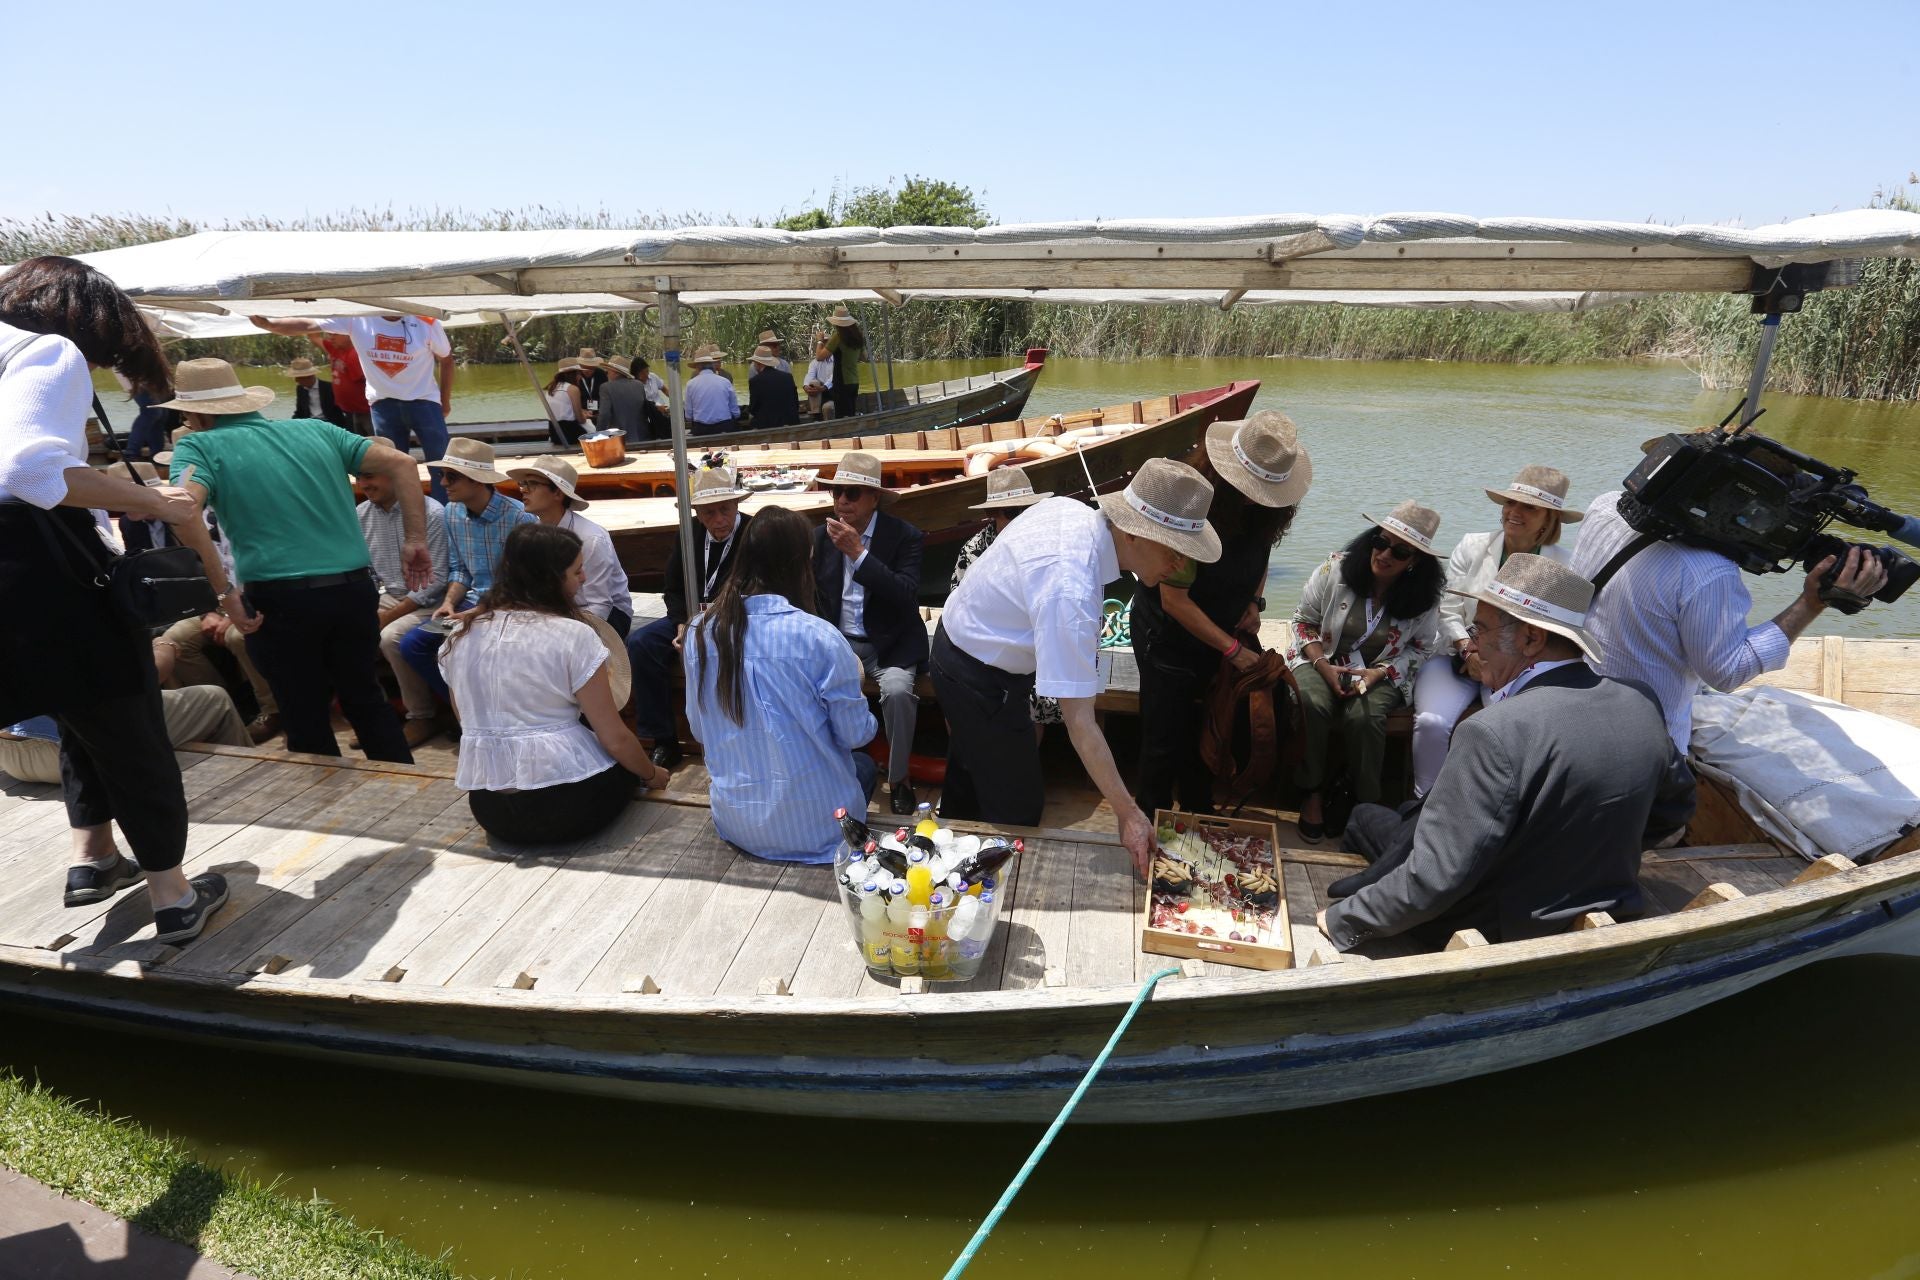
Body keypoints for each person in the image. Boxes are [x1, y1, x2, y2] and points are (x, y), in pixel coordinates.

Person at [0, 255, 229, 940]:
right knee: (131, 731)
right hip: (44, 575)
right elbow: (27, 467)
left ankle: (92, 858)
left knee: (75, 710)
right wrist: (141, 496)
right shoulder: (48, 351)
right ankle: (174, 897)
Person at [1318, 554, 1696, 951]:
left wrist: (1343, 921)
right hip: (1611, 901)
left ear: (1530, 639)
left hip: (1502, 926)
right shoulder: (1640, 702)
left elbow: (1434, 879)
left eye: (1479, 630)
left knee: (1364, 818)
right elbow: (1675, 810)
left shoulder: (1492, 731)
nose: (1472, 644)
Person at [935, 458, 1221, 875]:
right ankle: (989, 897)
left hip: (963, 643)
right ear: (1132, 532)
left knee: (968, 772)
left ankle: (944, 857)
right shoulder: (1071, 587)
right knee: (1018, 809)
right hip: (976, 672)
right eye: (1175, 549)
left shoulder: (1076, 513)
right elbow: (1080, 724)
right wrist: (1129, 814)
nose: (1181, 566)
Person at [161, 358, 433, 764]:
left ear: (195, 414)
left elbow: (183, 510)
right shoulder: (316, 429)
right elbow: (404, 462)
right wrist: (416, 539)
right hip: (353, 590)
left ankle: (324, 808)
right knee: (366, 700)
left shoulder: (196, 445)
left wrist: (224, 592)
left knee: (303, 711)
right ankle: (404, 789)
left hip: (280, 600)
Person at [1569, 485, 1890, 754]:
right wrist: (1812, 602)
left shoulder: (1607, 507)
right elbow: (1727, 672)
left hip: (1570, 710)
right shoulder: (1707, 571)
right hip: (1644, 748)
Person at [438, 523, 668, 845]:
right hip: (566, 808)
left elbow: (467, 721)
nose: (583, 578)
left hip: (491, 808)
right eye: (576, 572)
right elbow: (614, 738)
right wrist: (651, 774)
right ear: (551, 579)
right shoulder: (573, 636)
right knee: (626, 765)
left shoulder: (462, 637)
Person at [1132, 410, 1309, 816]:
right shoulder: (1192, 503)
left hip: (1221, 631)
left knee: (1209, 728)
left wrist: (1254, 603)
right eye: (1251, 486)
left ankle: (1198, 813)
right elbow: (1174, 601)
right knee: (1163, 736)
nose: (1256, 496)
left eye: (1266, 490)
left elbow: (1262, 554)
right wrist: (1233, 650)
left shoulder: (1270, 510)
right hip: (1167, 635)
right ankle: (1150, 818)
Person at [684, 508, 878, 862]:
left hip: (736, 824)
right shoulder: (820, 637)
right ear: (804, 562)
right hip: (818, 834)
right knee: (863, 766)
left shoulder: (700, 630)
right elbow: (856, 735)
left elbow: (699, 730)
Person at [1413, 465, 1579, 797]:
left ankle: (1495, 806)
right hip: (1456, 659)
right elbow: (1448, 609)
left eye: (1528, 507)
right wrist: (1467, 650)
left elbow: (1556, 632)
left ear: (1549, 519)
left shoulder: (1564, 564)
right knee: (1431, 724)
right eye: (1509, 503)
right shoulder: (1473, 545)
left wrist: (1502, 664)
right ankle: (1423, 802)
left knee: (1512, 733)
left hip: (1517, 669)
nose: (1513, 512)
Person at [1286, 501, 1447, 842]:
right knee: (1311, 702)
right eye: (1380, 542)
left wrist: (1381, 673)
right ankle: (1311, 790)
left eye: (1400, 552)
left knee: (1365, 716)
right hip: (1322, 658)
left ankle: (1365, 801)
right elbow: (1303, 622)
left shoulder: (1424, 598)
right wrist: (1322, 666)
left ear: (1415, 561)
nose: (1385, 554)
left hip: (1381, 670)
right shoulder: (1335, 569)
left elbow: (1421, 648)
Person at [812, 451, 926, 815]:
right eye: (837, 492)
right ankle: (829, 768)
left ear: (874, 498)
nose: (842, 500)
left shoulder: (905, 536)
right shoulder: (819, 537)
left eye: (852, 493)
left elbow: (906, 594)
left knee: (896, 693)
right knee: (809, 684)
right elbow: (812, 596)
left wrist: (858, 554)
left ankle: (900, 778)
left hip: (890, 643)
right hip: (838, 641)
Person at [249, 312, 454, 500]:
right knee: (389, 467)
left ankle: (445, 512)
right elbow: (309, 324)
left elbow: (446, 360)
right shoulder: (358, 318)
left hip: (425, 401)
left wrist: (444, 401)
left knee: (440, 463)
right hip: (383, 404)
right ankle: (397, 515)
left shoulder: (426, 322)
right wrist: (270, 324)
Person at [628, 465, 751, 768]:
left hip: (734, 619)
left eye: (724, 510)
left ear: (736, 505)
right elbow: (671, 587)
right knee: (641, 644)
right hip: (690, 615)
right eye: (708, 513)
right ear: (697, 513)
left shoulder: (753, 534)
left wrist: (712, 621)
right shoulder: (689, 533)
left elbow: (755, 590)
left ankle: (733, 737)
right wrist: (683, 621)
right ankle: (662, 739)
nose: (718, 520)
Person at [397, 438, 537, 704]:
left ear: (476, 479)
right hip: (471, 604)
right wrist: (449, 603)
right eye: (442, 475)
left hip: (512, 606)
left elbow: (524, 583)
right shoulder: (452, 512)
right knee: (412, 645)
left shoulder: (520, 518)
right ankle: (464, 707)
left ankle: (482, 710)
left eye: (452, 477)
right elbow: (460, 569)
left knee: (474, 647)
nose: (443, 483)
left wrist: (477, 611)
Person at [949, 467, 1061, 737]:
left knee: (1038, 688)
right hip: (982, 648)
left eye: (1025, 510)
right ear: (992, 516)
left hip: (1031, 647)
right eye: (1012, 512)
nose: (1021, 519)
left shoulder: (1046, 545)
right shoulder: (974, 550)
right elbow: (960, 614)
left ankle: (1025, 768)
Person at [357, 448, 451, 748]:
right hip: (388, 594)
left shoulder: (431, 512)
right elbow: (366, 571)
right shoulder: (360, 515)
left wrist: (385, 615)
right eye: (359, 477)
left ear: (393, 474)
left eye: (369, 476)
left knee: (390, 636)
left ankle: (421, 715)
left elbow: (434, 582)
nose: (363, 484)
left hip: (433, 600)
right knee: (340, 625)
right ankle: (376, 714)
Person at [1, 685, 254, 784]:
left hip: (10, 759)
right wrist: (166, 645)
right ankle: (246, 785)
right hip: (67, 752)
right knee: (214, 698)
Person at [508, 456, 631, 636]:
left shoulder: (590, 538)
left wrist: (562, 634)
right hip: (556, 611)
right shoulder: (534, 535)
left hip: (607, 616)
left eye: (532, 484)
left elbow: (599, 605)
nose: (523, 490)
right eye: (523, 483)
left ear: (558, 494)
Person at [309, 331, 372, 436]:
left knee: (378, 444)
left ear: (349, 334)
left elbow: (369, 382)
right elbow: (313, 336)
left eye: (335, 334)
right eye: (329, 334)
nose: (331, 338)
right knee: (360, 445)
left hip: (367, 411)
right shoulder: (335, 349)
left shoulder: (356, 354)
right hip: (351, 411)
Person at [597, 356, 668, 443]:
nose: (606, 373)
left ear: (615, 372)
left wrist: (598, 436)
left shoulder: (605, 387)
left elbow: (604, 415)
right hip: (643, 437)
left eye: (608, 370)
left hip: (620, 439)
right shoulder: (639, 385)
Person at [684, 346, 740, 435]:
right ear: (712, 365)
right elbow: (736, 413)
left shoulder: (690, 384)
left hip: (701, 429)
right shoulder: (725, 382)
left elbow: (688, 416)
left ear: (697, 367)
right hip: (724, 427)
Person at [823, 306, 865, 420]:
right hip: (854, 381)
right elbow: (863, 357)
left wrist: (819, 341)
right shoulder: (858, 337)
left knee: (841, 415)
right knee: (850, 413)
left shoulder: (838, 337)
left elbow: (820, 356)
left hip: (842, 382)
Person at [747, 347, 800, 429]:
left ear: (758, 363)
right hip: (792, 422)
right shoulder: (788, 377)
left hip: (767, 425)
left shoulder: (755, 381)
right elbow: (796, 403)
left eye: (754, 363)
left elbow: (753, 409)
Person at [543, 357, 587, 447]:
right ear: (573, 374)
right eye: (579, 373)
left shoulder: (550, 388)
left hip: (554, 433)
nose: (581, 376)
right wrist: (585, 415)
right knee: (594, 430)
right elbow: (580, 419)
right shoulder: (573, 389)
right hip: (570, 433)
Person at [286, 356, 342, 426]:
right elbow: (299, 412)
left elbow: (340, 411)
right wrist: (289, 425)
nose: (296, 381)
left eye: (298, 378)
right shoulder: (300, 389)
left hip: (330, 423)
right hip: (310, 424)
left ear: (308, 377)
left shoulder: (329, 387)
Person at [803, 337, 835, 419]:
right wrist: (806, 386)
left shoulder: (837, 360)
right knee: (813, 383)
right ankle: (816, 416)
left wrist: (824, 387)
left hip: (834, 393)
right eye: (823, 344)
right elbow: (810, 375)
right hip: (820, 394)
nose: (825, 347)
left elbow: (833, 378)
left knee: (827, 408)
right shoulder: (815, 362)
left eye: (828, 344)